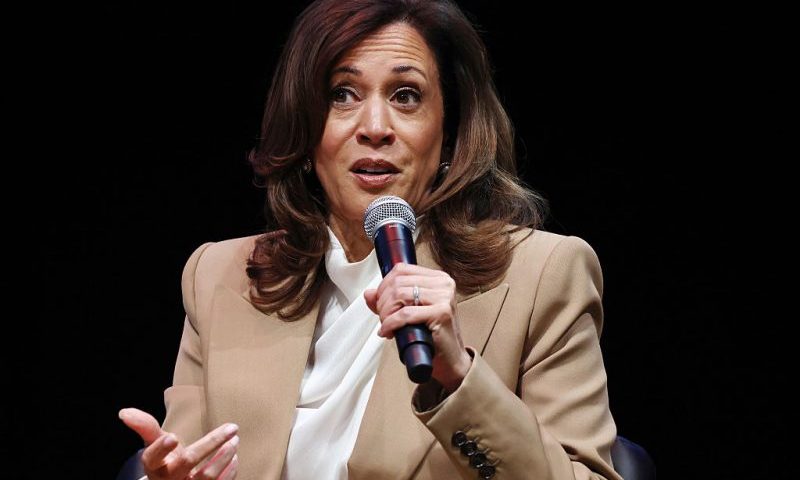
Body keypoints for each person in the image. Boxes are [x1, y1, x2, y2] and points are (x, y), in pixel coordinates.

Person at [118, 0, 622, 479]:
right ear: (305, 125)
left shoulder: (543, 274)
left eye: (406, 96)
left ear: (448, 131)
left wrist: (460, 379)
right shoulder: (218, 275)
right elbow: (180, 459)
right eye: (342, 94)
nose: (375, 127)